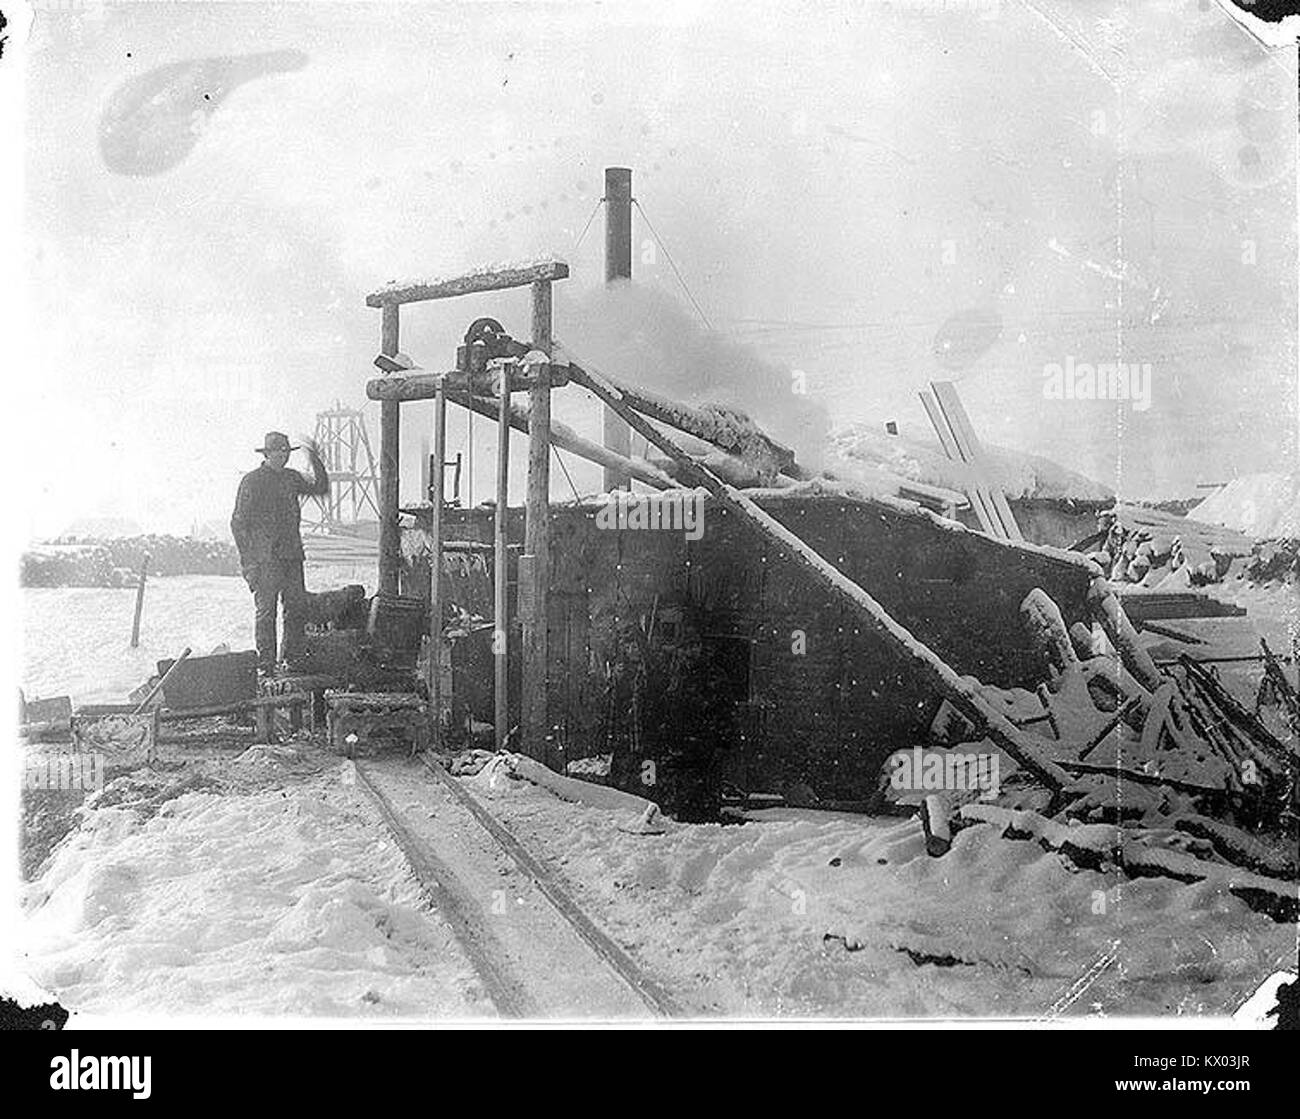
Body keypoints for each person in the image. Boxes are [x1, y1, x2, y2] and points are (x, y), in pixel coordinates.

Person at [230, 431, 330, 674]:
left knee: (296, 608)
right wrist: (249, 564)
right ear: (267, 453)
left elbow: (320, 487)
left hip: (292, 556)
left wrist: (315, 459)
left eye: (287, 452)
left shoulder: (291, 478)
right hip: (265, 560)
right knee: (266, 612)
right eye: (279, 451)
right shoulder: (252, 481)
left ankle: (292, 659)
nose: (284, 456)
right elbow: (238, 524)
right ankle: (266, 664)